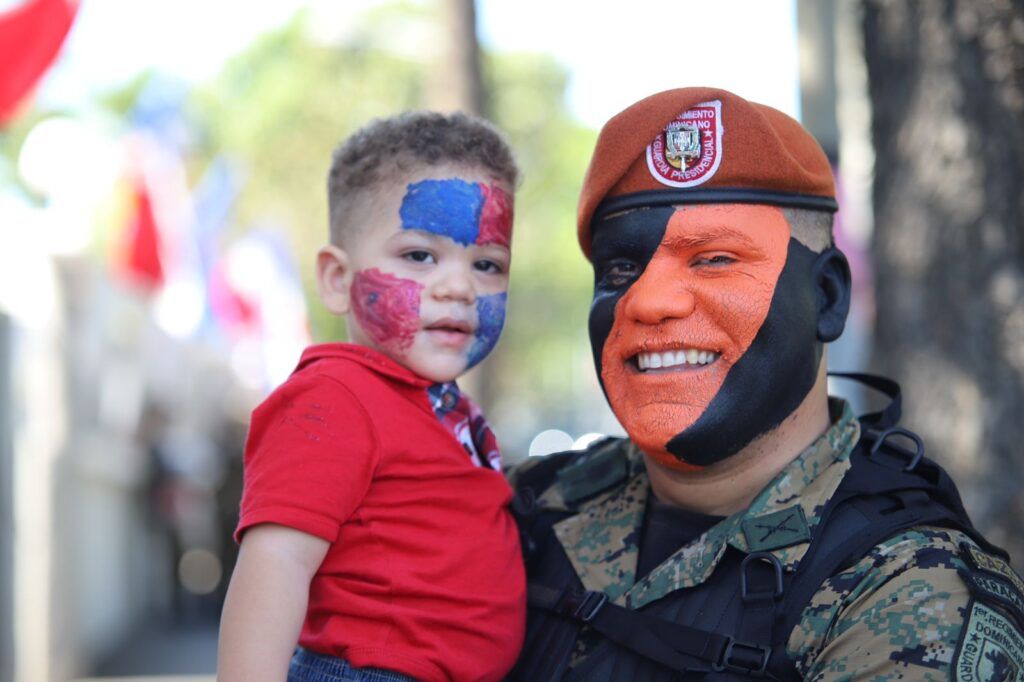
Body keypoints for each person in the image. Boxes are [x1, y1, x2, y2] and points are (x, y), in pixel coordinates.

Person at [508, 88, 1024, 680]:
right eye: (621, 270)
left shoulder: (913, 590)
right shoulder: (525, 504)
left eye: (714, 260)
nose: (647, 302)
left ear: (826, 298)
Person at [218, 111, 525, 682]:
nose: (458, 287)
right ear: (337, 279)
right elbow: (276, 562)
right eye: (419, 256)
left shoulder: (448, 411)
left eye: (487, 265)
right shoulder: (332, 399)